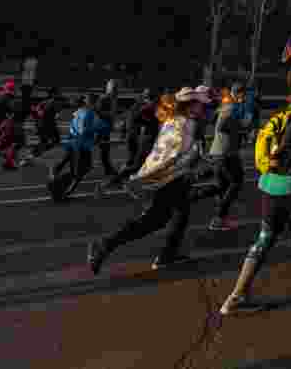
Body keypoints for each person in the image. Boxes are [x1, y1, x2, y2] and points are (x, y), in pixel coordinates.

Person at [220, 79, 291, 314]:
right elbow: (289, 144)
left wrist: (273, 162)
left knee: (265, 236)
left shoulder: (282, 112)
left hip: (268, 183)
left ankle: (235, 297)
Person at [87, 87, 211, 273]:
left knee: (180, 215)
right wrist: (193, 166)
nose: (205, 109)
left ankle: (168, 254)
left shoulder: (173, 120)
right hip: (169, 179)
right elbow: (173, 156)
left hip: (171, 178)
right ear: (191, 106)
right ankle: (104, 245)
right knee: (154, 221)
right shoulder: (186, 125)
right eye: (201, 105)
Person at [189, 84, 246, 230]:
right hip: (225, 152)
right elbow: (221, 126)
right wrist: (240, 128)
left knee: (221, 186)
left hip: (220, 151)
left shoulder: (227, 106)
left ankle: (188, 198)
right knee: (236, 182)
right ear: (238, 94)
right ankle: (219, 218)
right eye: (243, 95)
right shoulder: (230, 107)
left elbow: (213, 120)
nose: (244, 98)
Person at [95, 88, 161, 197]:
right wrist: (140, 128)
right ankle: (108, 185)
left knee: (137, 166)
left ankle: (119, 184)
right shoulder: (148, 108)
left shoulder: (146, 107)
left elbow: (133, 118)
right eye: (157, 98)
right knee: (136, 166)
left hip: (147, 140)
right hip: (147, 142)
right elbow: (134, 118)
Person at [49, 95, 109, 200]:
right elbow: (85, 130)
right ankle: (58, 188)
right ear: (92, 103)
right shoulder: (90, 113)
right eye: (98, 103)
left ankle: (59, 185)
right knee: (79, 171)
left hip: (73, 143)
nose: (99, 105)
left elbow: (74, 126)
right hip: (81, 145)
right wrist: (99, 128)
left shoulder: (79, 111)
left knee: (81, 168)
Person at [94, 94, 116, 176]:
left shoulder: (104, 113)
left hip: (103, 132)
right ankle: (109, 170)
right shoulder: (104, 113)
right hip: (102, 132)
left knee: (105, 153)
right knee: (104, 153)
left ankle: (109, 170)